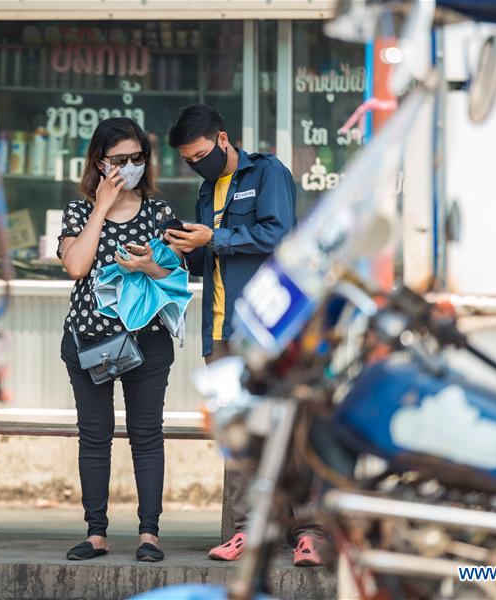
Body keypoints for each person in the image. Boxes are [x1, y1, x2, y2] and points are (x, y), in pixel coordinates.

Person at [165, 104, 324, 567]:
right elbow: (206, 260)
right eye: (188, 159)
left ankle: (310, 533)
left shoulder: (268, 171)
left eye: (199, 154)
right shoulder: (204, 192)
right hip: (221, 331)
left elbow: (278, 234)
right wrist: (175, 250)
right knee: (237, 436)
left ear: (222, 138)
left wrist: (211, 237)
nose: (196, 163)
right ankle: (245, 532)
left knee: (290, 429)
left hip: (271, 328)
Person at [58, 117, 180, 563]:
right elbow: (75, 266)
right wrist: (101, 207)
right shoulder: (77, 210)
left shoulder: (159, 212)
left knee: (147, 435)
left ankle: (149, 534)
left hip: (147, 341)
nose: (129, 167)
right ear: (99, 162)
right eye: (119, 160)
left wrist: (150, 265)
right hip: (91, 340)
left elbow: (176, 275)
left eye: (136, 159)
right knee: (94, 436)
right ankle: (96, 534)